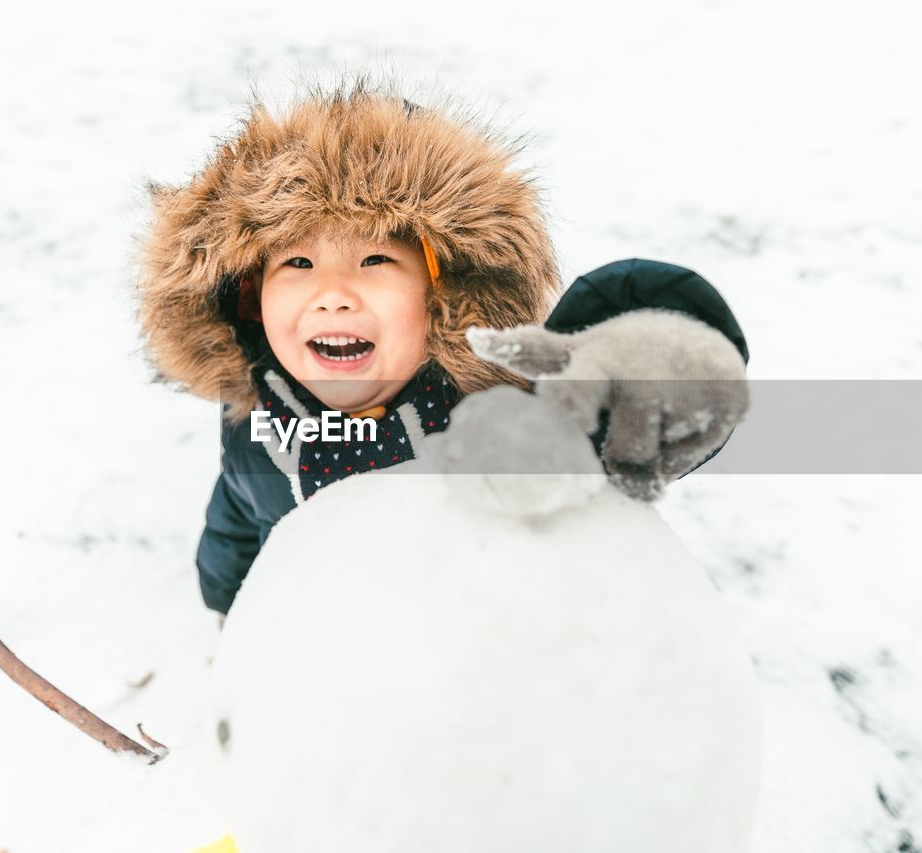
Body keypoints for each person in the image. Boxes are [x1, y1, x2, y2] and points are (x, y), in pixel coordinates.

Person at [134, 75, 750, 618]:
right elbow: (239, 509)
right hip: (314, 656)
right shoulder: (258, 418)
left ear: (443, 296)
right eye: (298, 261)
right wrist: (228, 602)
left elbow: (600, 455)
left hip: (456, 666)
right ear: (248, 299)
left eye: (375, 258)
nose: (333, 294)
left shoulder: (486, 417)